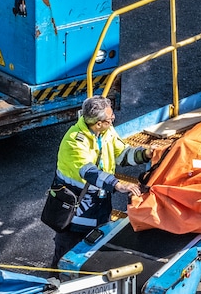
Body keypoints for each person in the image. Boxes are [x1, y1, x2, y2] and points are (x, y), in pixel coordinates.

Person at [50, 95, 153, 267]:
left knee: (94, 249)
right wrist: (118, 184)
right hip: (76, 210)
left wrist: (145, 154)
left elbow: (121, 154)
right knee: (67, 252)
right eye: (110, 119)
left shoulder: (106, 132)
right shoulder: (74, 141)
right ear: (98, 123)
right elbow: (90, 172)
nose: (113, 120)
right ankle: (55, 281)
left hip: (99, 204)